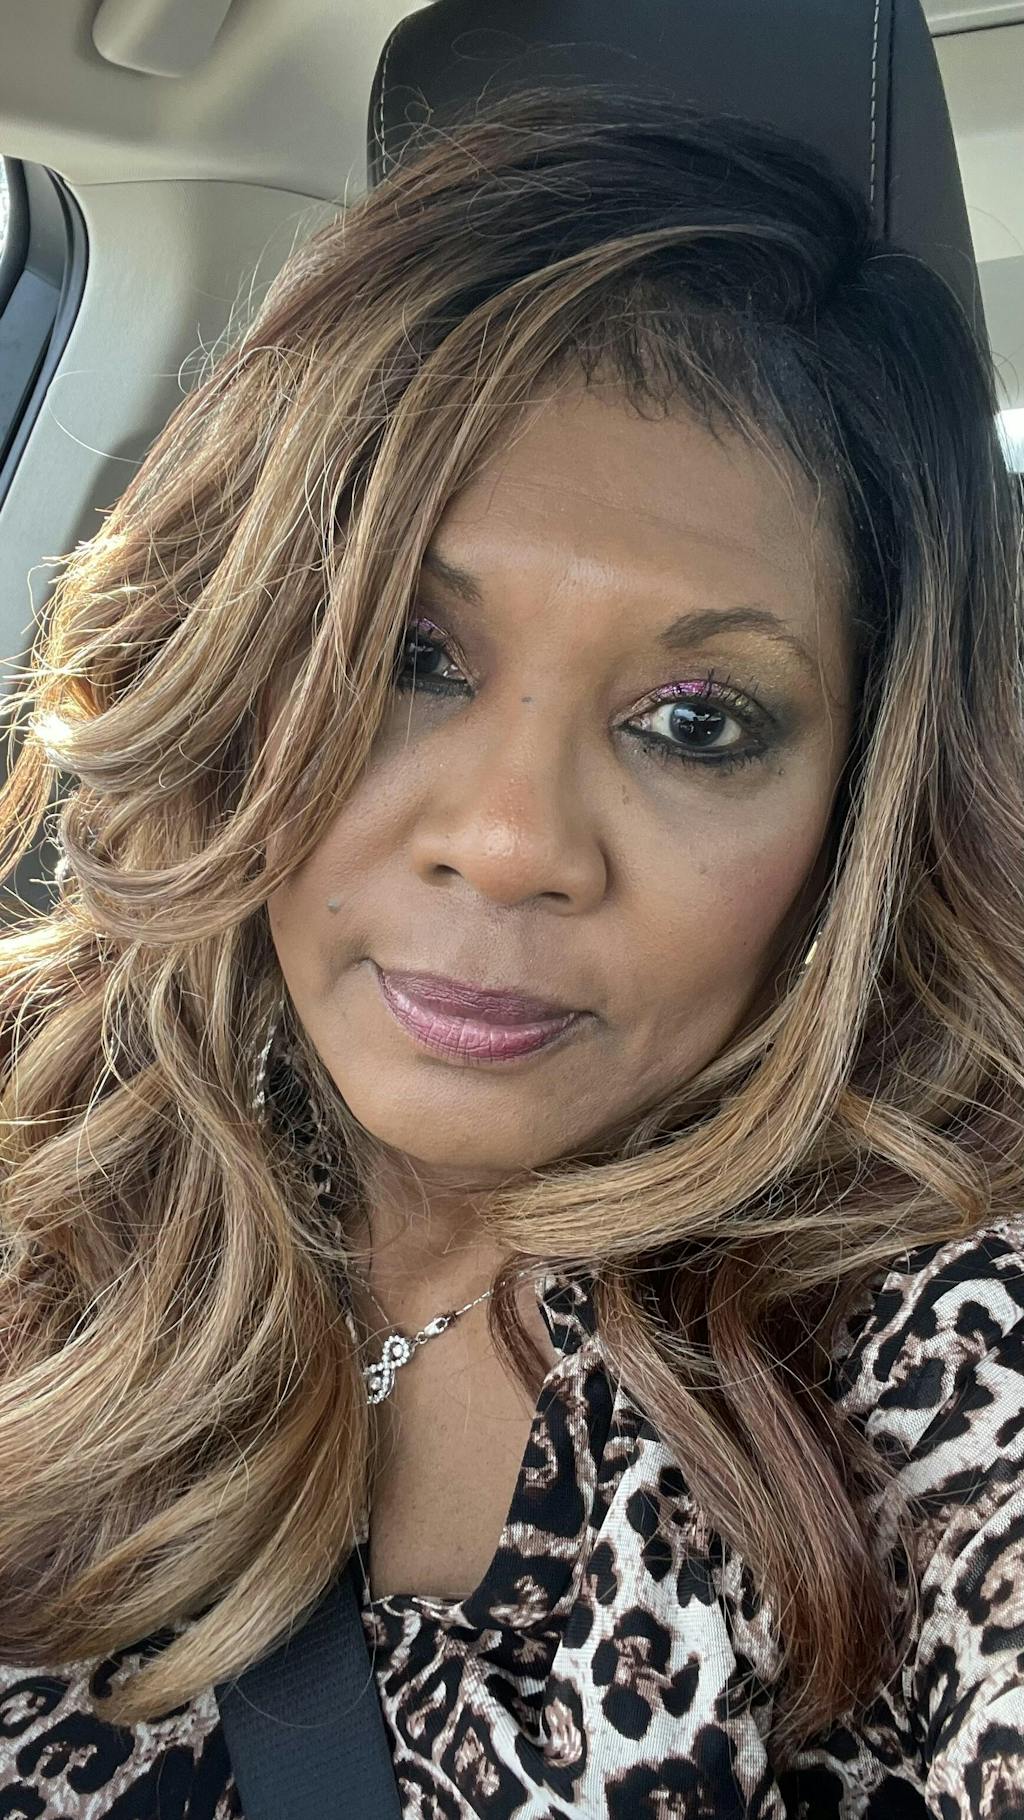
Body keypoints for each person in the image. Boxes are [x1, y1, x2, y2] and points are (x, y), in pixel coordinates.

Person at [0, 79, 1022, 1818]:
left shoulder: (931, 1340)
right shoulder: (57, 1127)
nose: (512, 843)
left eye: (697, 720)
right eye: (413, 653)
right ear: (238, 655)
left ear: (862, 807)